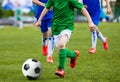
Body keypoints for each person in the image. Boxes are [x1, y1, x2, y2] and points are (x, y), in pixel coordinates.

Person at [35, 0, 96, 77]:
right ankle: (73, 55)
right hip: (56, 28)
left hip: (67, 27)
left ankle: (61, 69)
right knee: (60, 51)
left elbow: (82, 9)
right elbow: (46, 8)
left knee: (61, 45)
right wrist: (39, 20)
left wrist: (90, 22)